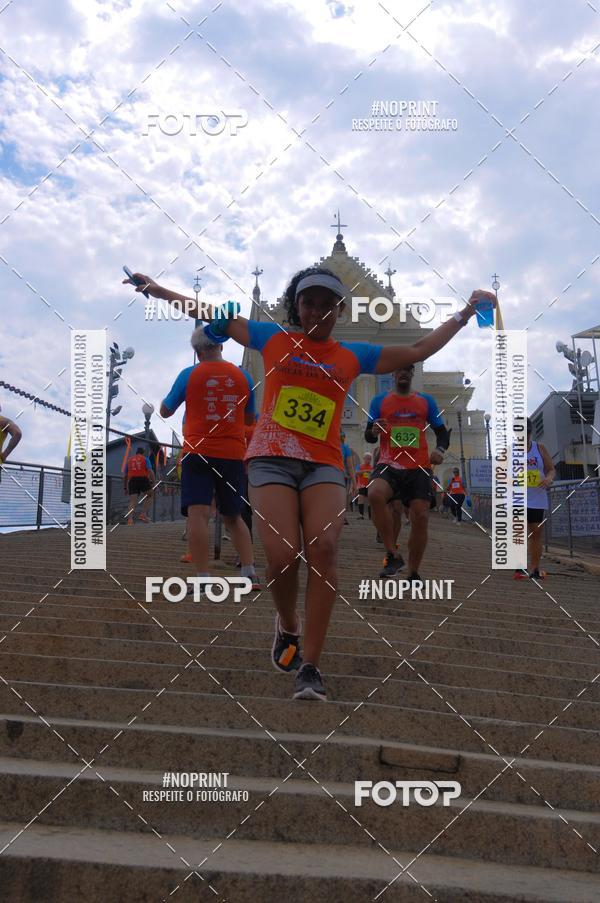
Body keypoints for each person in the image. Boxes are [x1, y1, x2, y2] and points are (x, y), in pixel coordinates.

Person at [125, 266, 495, 700]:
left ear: (339, 309)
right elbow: (205, 310)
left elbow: (417, 348)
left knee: (323, 548)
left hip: (322, 463)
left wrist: (468, 311)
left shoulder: (352, 355)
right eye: (308, 302)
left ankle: (312, 666)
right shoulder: (273, 338)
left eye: (326, 303)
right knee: (281, 556)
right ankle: (287, 624)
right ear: (296, 306)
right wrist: (158, 290)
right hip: (271, 459)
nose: (316, 310)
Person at [160, 327, 259, 597]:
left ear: (197, 352)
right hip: (232, 454)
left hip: (197, 452)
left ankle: (203, 578)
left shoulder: (188, 375)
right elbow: (250, 420)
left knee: (198, 514)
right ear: (221, 346)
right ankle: (249, 572)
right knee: (233, 515)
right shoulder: (244, 377)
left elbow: (165, 411)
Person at [365, 364, 450, 583]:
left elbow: (442, 433)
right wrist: (373, 430)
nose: (403, 372)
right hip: (388, 463)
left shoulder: (425, 401)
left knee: (420, 515)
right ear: (392, 373)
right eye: (399, 369)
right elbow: (369, 436)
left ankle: (413, 571)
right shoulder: (379, 402)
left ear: (412, 373)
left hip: (418, 467)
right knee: (374, 494)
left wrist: (440, 451)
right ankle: (392, 553)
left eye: (407, 369)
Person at [514, 417, 555, 581]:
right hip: (517, 497)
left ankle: (535, 569)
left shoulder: (540, 448)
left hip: (537, 497)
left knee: (536, 532)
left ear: (530, 432)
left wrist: (548, 479)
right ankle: (519, 568)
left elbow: (551, 469)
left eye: (527, 431)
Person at [124, 446, 155, 524]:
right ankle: (143, 514)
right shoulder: (145, 459)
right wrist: (154, 481)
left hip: (132, 481)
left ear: (136, 453)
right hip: (143, 479)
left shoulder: (129, 460)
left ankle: (130, 520)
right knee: (150, 495)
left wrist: (125, 487)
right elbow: (150, 471)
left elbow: (125, 475)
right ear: (143, 453)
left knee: (132, 501)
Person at [355, 452, 373, 519]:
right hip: (361, 485)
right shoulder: (359, 466)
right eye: (367, 458)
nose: (368, 460)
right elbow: (356, 473)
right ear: (364, 459)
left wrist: (370, 473)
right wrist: (365, 471)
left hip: (370, 485)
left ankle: (370, 516)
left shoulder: (372, 467)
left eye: (370, 459)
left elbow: (373, 474)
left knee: (370, 500)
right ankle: (361, 515)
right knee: (361, 499)